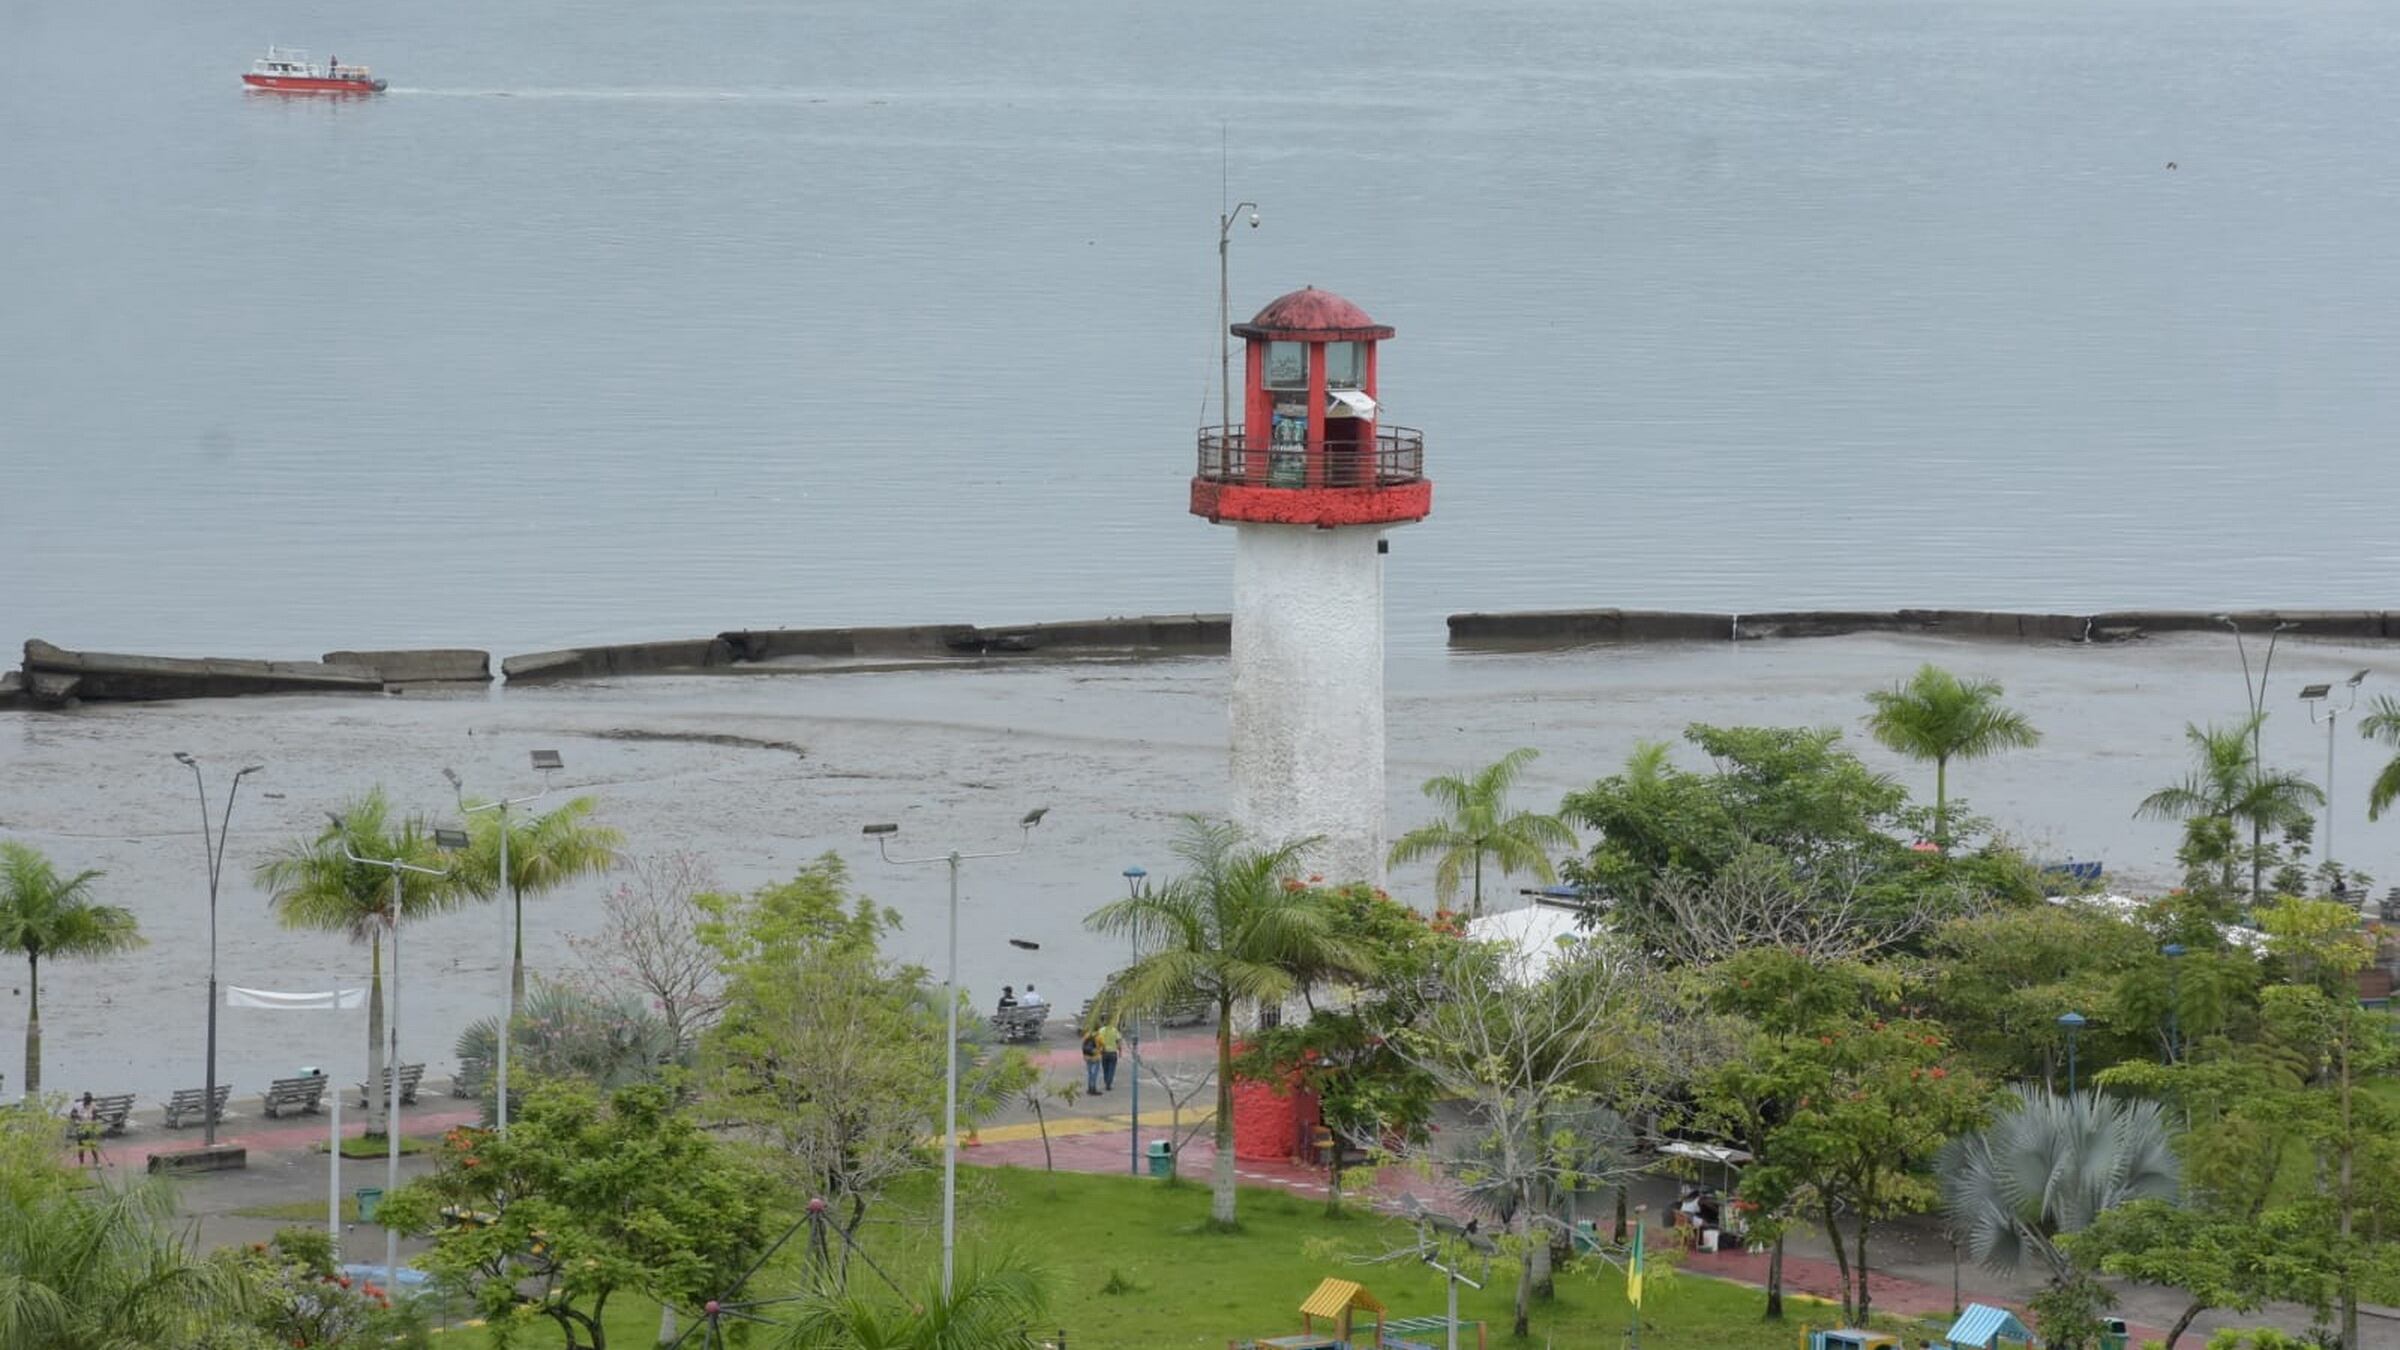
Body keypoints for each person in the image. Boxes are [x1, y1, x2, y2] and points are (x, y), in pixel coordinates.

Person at [69, 1093, 99, 1168]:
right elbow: (71, 1114)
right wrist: (78, 1116)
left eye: (89, 1102)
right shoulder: (78, 1105)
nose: (87, 1104)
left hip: (89, 1126)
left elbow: (95, 1116)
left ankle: (97, 1162)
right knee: (81, 1145)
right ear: (84, 1100)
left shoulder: (93, 1105)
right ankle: (81, 1164)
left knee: (93, 1144)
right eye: (86, 1102)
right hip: (81, 1127)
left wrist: (93, 1125)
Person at [1095, 1019, 1122, 1092]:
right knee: (1111, 1069)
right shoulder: (1115, 1030)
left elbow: (1097, 1040)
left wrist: (1098, 1049)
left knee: (1105, 1068)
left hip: (1104, 1052)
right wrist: (1120, 1051)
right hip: (1113, 1052)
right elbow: (1118, 1041)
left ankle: (1106, 1081)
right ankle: (1108, 1083)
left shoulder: (1101, 1030)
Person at [1081, 1028, 1103, 1094]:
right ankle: (1093, 1089)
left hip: (1087, 1057)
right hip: (1096, 1057)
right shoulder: (1099, 1036)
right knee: (1095, 1074)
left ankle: (1089, 1088)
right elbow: (1102, 1045)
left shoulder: (1087, 1035)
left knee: (1090, 1073)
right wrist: (1100, 1051)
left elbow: (1083, 1045)